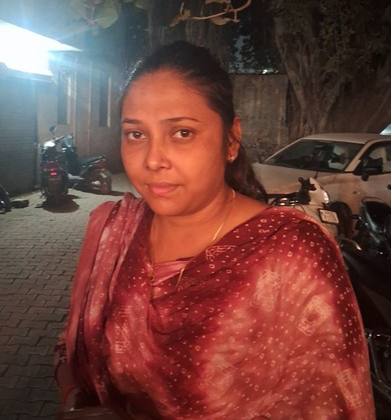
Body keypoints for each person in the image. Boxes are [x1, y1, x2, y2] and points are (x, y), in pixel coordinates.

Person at [54, 41, 375, 420]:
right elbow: (72, 346)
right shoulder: (114, 230)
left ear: (231, 139)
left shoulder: (291, 253)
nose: (153, 160)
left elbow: (332, 403)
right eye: (136, 135)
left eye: (182, 133)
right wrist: (75, 399)